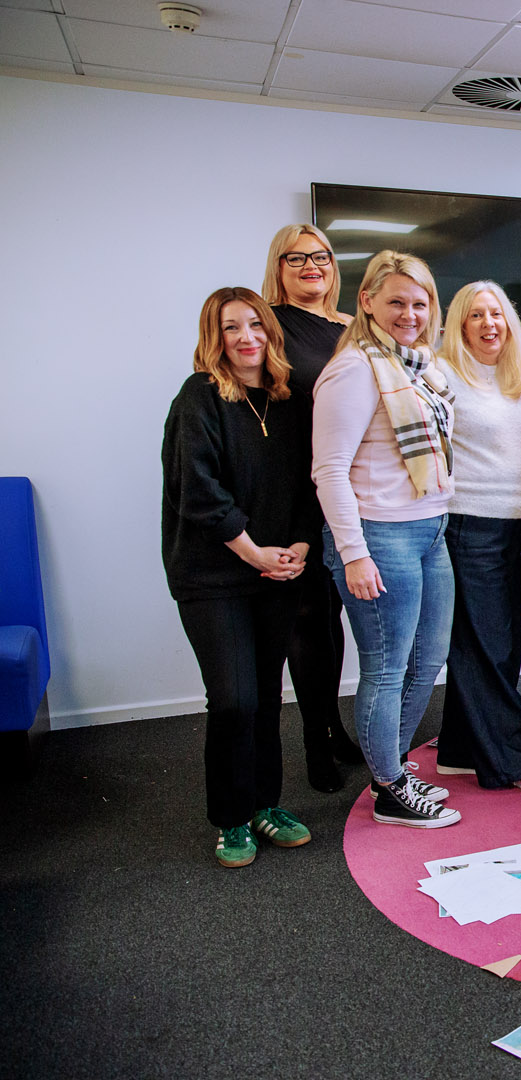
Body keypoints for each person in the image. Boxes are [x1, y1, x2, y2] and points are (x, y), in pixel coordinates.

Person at [161, 287, 317, 866]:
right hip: (213, 574)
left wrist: (299, 544)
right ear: (215, 337)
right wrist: (254, 552)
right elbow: (198, 492)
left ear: (271, 332)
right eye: (232, 328)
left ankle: (264, 804)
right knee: (232, 699)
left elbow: (314, 479)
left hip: (278, 568)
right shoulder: (199, 398)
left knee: (266, 697)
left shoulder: (293, 398)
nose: (246, 337)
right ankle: (230, 817)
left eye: (255, 324)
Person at [312, 251, 459, 829]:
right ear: (367, 301)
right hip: (379, 536)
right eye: (396, 301)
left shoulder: (423, 367)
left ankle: (388, 766)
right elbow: (329, 470)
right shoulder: (354, 369)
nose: (410, 313)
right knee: (387, 666)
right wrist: (353, 552)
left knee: (427, 660)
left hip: (430, 528)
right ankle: (390, 788)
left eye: (420, 302)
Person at [433, 281, 521, 798]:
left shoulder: (512, 378)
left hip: (515, 525)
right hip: (471, 523)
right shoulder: (442, 374)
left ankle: (462, 749)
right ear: (459, 324)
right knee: (489, 644)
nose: (490, 324)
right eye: (477, 316)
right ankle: (515, 760)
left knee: (490, 643)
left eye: (497, 315)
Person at [260, 223, 362, 792]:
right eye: (295, 258)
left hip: (352, 488)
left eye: (319, 257)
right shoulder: (268, 326)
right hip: (297, 489)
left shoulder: (352, 328)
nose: (310, 267)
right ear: (278, 266)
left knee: (335, 620)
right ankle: (313, 743)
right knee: (306, 620)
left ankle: (331, 727)